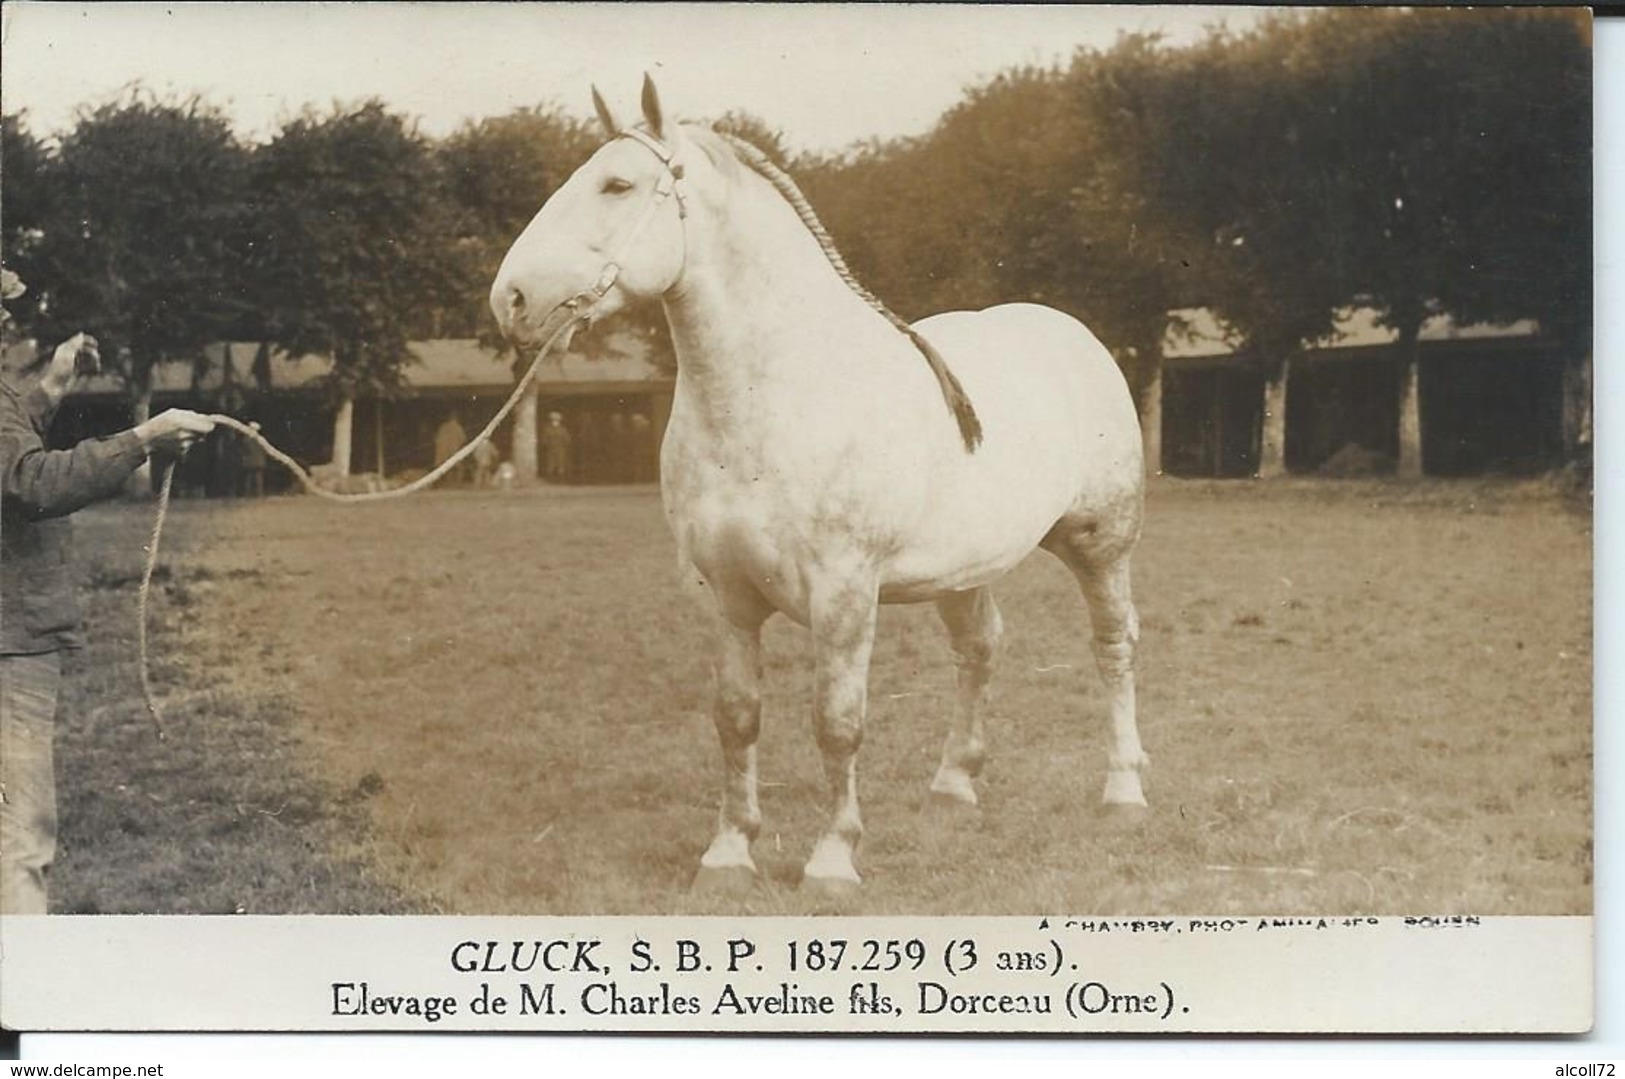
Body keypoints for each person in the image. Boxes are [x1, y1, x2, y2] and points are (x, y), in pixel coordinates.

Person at [0, 267, 215, 915]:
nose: (8, 321)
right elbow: (30, 481)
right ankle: (25, 986)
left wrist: (54, 383)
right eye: (0, 308)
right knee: (18, 835)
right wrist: (141, 440)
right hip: (9, 644)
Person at [540, 410, 572, 483]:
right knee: (550, 465)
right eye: (553, 420)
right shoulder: (547, 429)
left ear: (559, 421)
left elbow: (567, 439)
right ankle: (550, 480)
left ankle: (561, 480)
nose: (555, 422)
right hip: (550, 449)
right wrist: (546, 446)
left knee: (561, 464)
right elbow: (544, 439)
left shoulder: (563, 429)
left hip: (560, 449)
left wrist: (565, 446)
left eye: (556, 420)